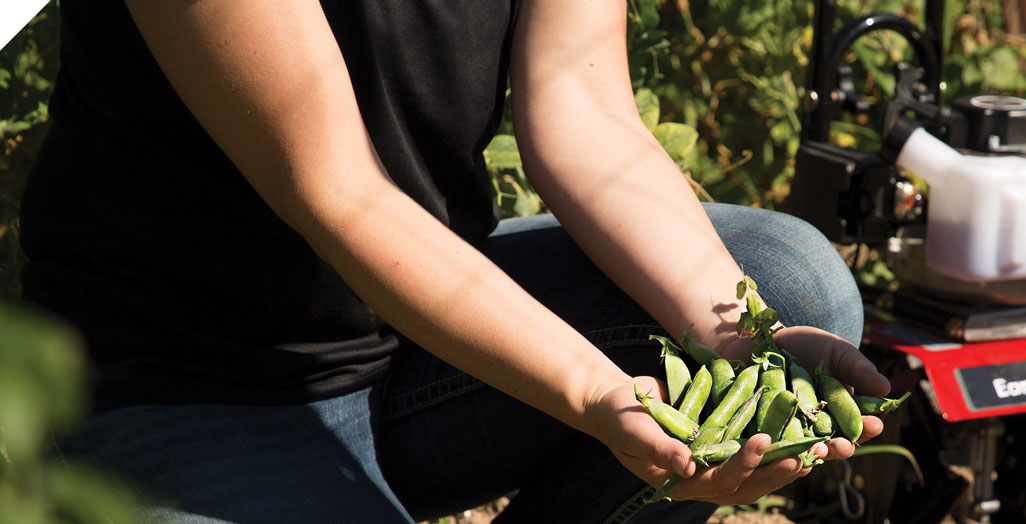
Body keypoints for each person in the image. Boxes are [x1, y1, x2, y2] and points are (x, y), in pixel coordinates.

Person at [20, 1, 892, 522]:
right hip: (191, 384)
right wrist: (593, 393)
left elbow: (585, 113)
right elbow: (337, 191)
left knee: (783, 280)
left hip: (415, 356)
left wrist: (740, 347)